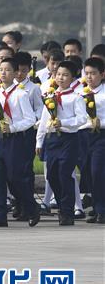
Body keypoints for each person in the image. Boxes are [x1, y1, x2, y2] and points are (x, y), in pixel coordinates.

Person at [0, 57, 39, 228]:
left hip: (15, 139)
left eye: (8, 70)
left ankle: (31, 207)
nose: (3, 73)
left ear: (15, 73)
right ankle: (0, 215)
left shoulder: (21, 94)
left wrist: (13, 128)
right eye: (1, 70)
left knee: (15, 177)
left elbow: (30, 119)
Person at [36, 61, 87, 226]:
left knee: (65, 173)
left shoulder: (76, 97)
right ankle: (62, 205)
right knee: (51, 175)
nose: (61, 78)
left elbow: (82, 119)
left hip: (69, 139)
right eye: (58, 74)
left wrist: (63, 123)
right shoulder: (50, 96)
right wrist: (39, 141)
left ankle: (67, 212)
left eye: (65, 75)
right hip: (52, 139)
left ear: (72, 78)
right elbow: (44, 120)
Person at [81, 57, 105, 224]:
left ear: (102, 74)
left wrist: (100, 123)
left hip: (101, 136)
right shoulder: (80, 92)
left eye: (93, 73)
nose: (89, 77)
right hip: (83, 136)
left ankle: (101, 210)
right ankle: (97, 208)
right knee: (87, 173)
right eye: (87, 73)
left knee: (98, 172)